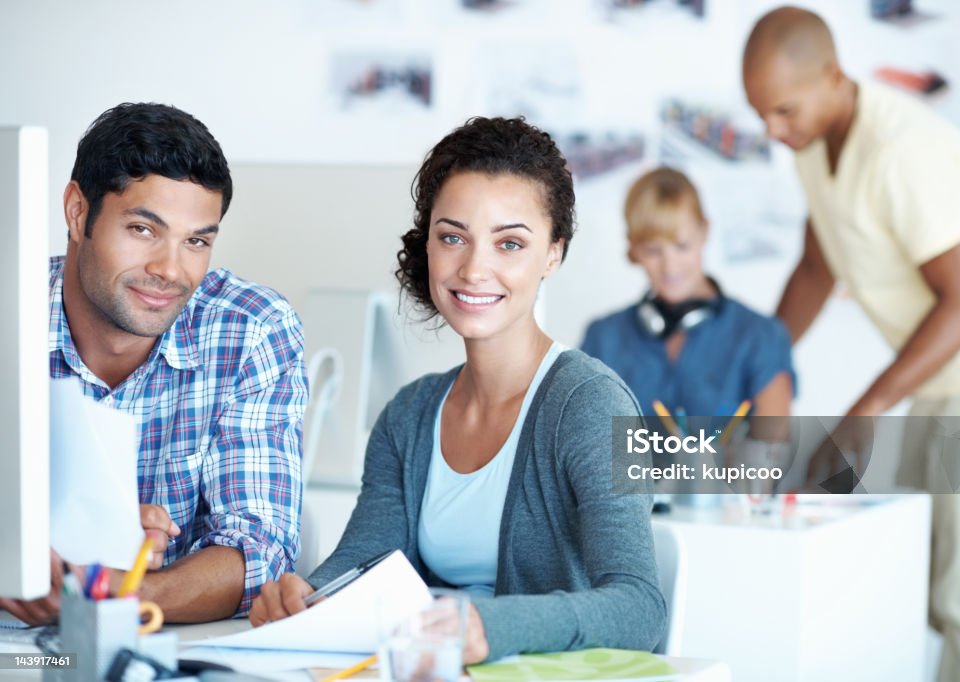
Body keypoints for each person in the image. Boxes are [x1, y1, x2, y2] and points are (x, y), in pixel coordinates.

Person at [249, 116, 666, 663]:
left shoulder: (590, 404)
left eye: (510, 243)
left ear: (553, 254)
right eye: (453, 237)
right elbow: (363, 563)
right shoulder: (410, 415)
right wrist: (305, 597)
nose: (474, 269)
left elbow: (639, 606)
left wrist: (492, 626)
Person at [743, 7, 960, 681]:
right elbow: (818, 266)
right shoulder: (817, 145)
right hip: (944, 383)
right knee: (928, 584)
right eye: (762, 115)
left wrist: (863, 413)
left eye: (783, 111)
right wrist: (755, 368)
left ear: (833, 76)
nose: (773, 133)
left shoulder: (903, 152)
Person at [0, 103, 307, 624]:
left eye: (196, 241)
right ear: (78, 212)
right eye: (143, 229)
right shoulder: (11, 312)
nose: (170, 270)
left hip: (162, 652)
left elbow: (260, 551)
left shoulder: (250, 329)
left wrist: (113, 591)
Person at [580, 167, 793, 423]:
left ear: (705, 231)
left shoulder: (762, 336)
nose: (670, 267)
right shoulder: (603, 338)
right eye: (653, 250)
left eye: (682, 246)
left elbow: (775, 452)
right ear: (633, 248)